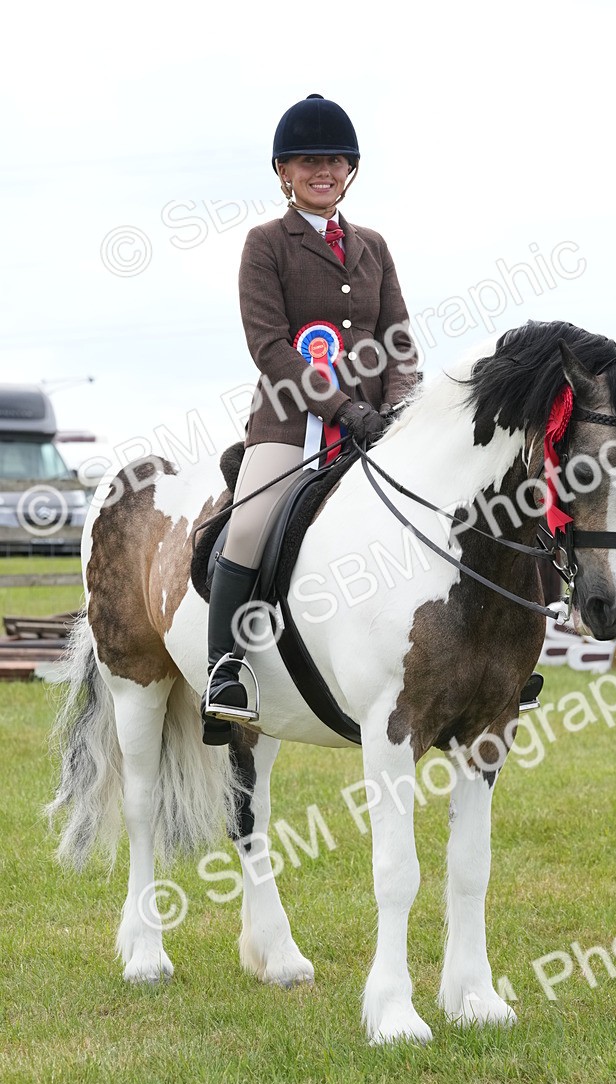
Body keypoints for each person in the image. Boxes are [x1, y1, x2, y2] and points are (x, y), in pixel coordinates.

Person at [202, 94, 418, 745]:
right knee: (246, 529)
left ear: (349, 169)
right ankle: (226, 673)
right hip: (290, 424)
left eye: (334, 160)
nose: (322, 170)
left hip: (377, 425)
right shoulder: (266, 245)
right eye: (308, 161)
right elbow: (269, 346)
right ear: (284, 171)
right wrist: (340, 408)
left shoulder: (373, 247)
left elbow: (399, 341)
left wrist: (399, 408)